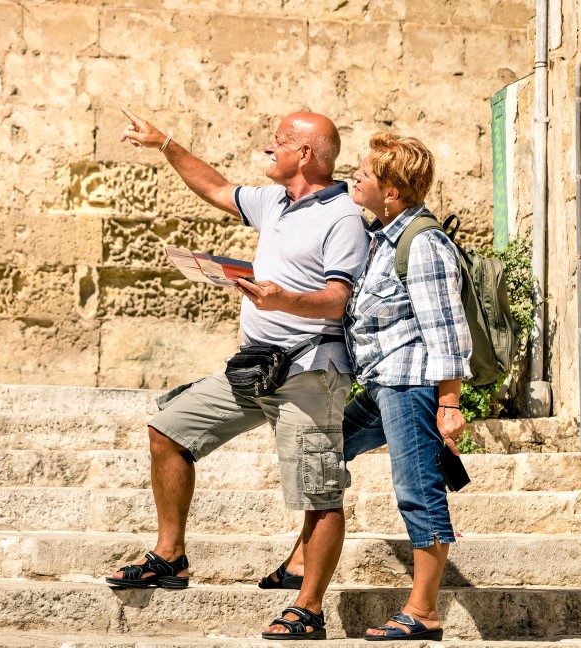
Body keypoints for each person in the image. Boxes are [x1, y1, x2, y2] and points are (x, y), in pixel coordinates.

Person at [106, 108, 370, 641]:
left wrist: (281, 299)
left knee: (319, 492)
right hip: (255, 366)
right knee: (169, 430)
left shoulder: (343, 217)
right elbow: (217, 188)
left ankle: (309, 608)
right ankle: (170, 556)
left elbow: (337, 300)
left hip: (309, 370)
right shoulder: (274, 201)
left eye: (278, 141)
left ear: (305, 154)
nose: (268, 148)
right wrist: (165, 144)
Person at [260, 132, 472, 641]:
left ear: (392, 191)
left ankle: (423, 612)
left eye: (367, 173)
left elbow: (446, 331)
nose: (355, 176)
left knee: (418, 492)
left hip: (410, 385)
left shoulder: (423, 244)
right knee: (327, 451)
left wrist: (448, 404)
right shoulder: (383, 238)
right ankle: (302, 557)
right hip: (381, 386)